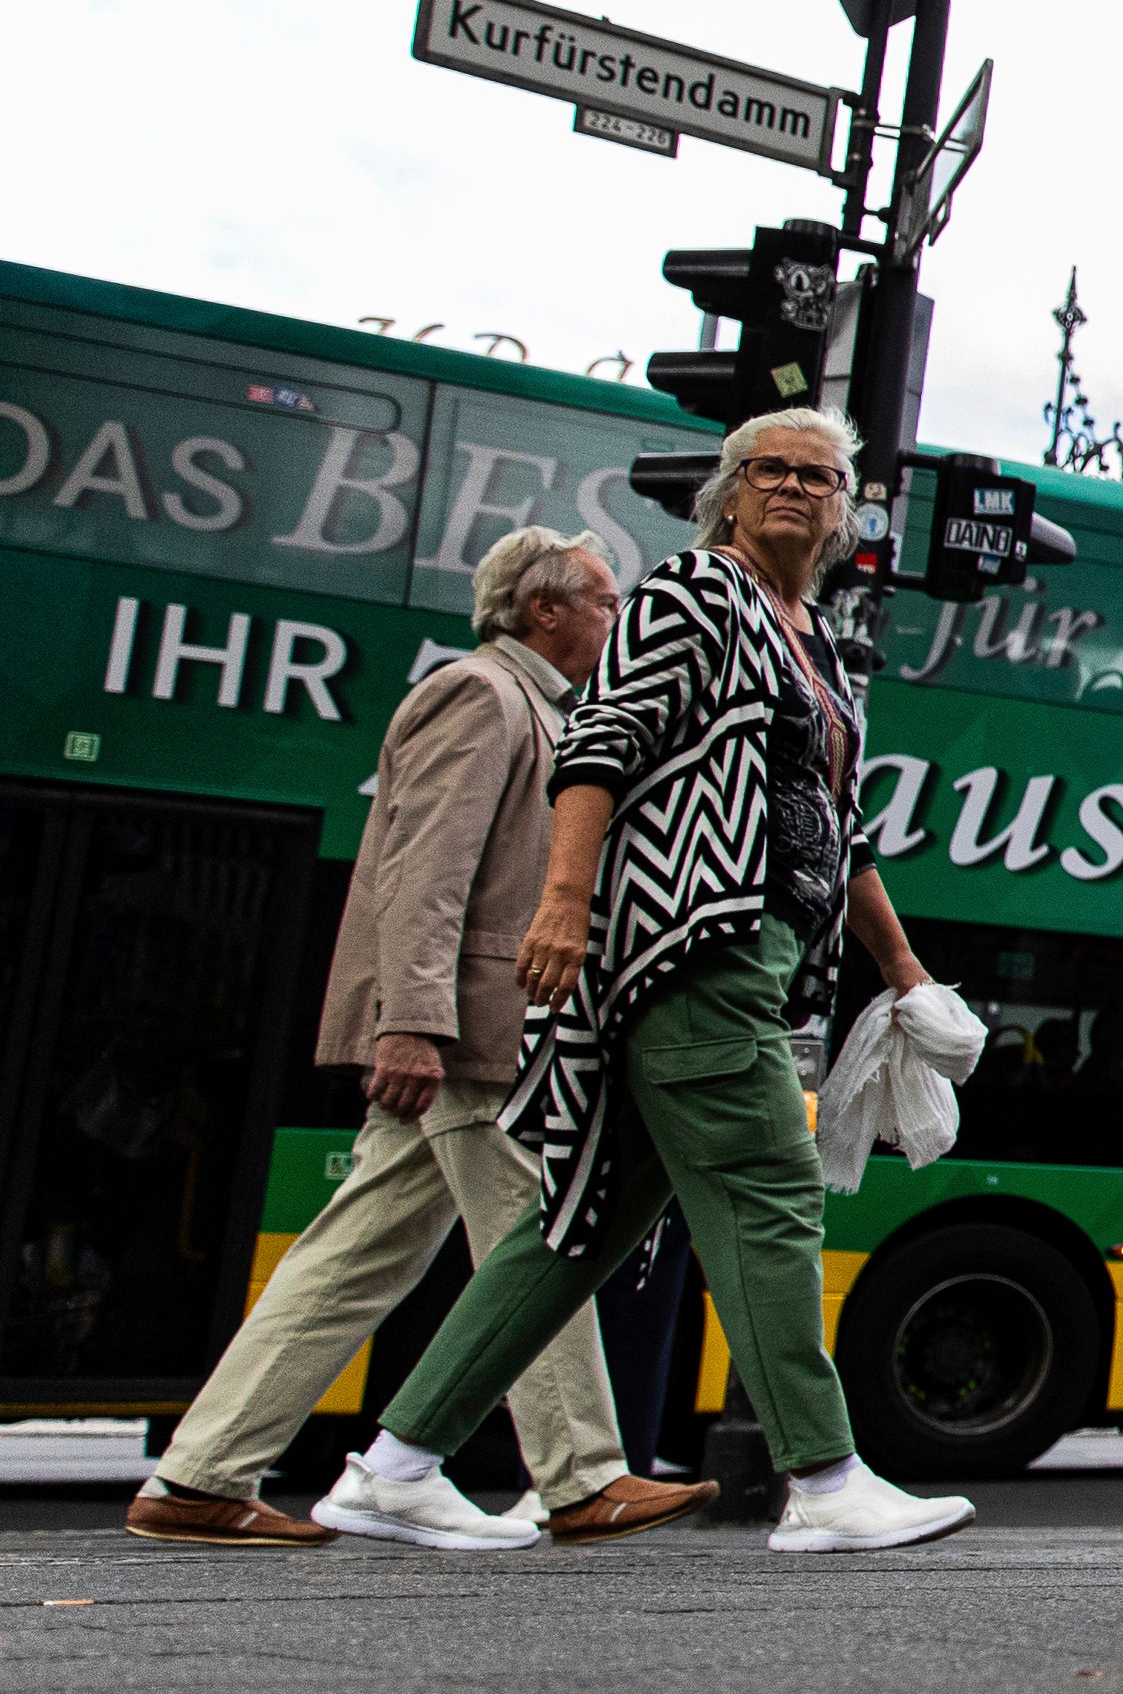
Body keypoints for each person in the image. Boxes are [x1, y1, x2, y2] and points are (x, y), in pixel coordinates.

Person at [319, 410, 977, 1554]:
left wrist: (906, 974)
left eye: (816, 476)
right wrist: (563, 907)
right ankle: (823, 1480)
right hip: (690, 944)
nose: (789, 487)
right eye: (766, 469)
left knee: (576, 1228)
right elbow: (599, 745)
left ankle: (393, 1467)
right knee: (773, 1192)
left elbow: (839, 827)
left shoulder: (814, 638)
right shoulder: (688, 595)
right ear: (728, 493)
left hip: (764, 956)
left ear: (844, 512)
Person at [129, 530, 701, 1548]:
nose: (618, 621)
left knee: (352, 1259)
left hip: (463, 1031)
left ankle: (201, 1474)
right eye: (607, 602)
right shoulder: (479, 696)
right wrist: (412, 1023)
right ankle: (582, 1475)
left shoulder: (536, 708)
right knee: (546, 1235)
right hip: (464, 1034)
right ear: (544, 610)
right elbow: (423, 873)